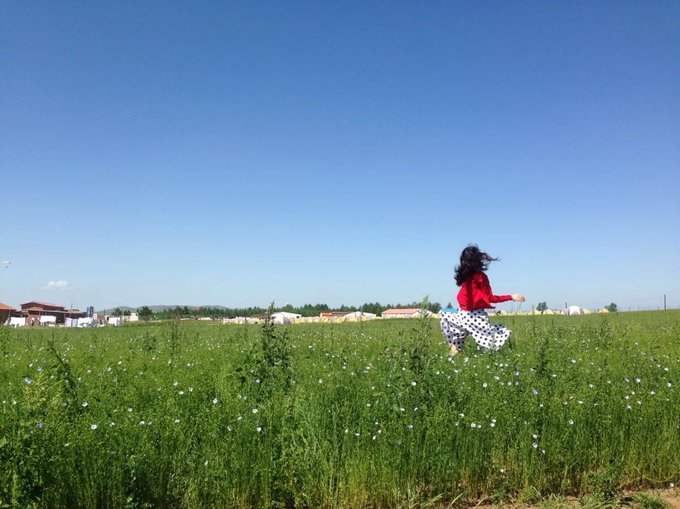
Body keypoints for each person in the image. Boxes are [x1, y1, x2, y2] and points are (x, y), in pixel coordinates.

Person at [440, 245, 525, 355]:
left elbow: (462, 297)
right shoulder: (480, 277)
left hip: (461, 315)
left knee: (456, 347)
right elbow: (490, 298)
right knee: (495, 339)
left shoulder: (464, 276)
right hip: (475, 317)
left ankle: (449, 363)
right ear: (478, 259)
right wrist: (511, 297)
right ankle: (496, 362)